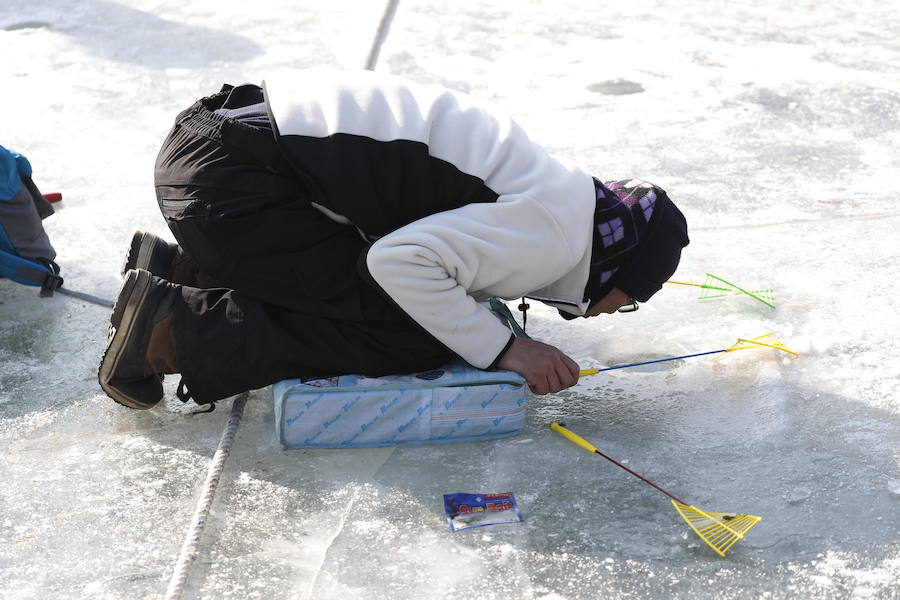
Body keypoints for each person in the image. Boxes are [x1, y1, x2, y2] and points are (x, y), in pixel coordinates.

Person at [98, 68, 689, 410]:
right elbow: (398, 262)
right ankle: (167, 329)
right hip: (236, 184)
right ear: (622, 263)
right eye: (629, 299)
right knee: (411, 331)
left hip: (220, 150)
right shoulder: (553, 238)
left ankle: (187, 270)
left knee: (403, 300)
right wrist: (507, 351)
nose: (612, 312)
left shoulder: (555, 196)